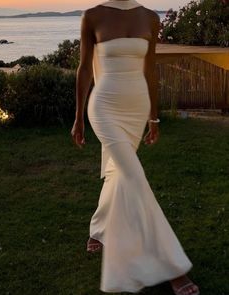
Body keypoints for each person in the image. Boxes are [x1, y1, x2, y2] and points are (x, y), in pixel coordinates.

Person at [71, 0, 200, 294]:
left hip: (136, 109)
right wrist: (78, 118)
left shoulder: (150, 18)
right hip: (103, 107)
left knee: (120, 172)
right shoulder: (92, 16)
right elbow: (84, 69)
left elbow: (150, 70)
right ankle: (173, 269)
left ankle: (99, 229)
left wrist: (154, 117)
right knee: (134, 176)